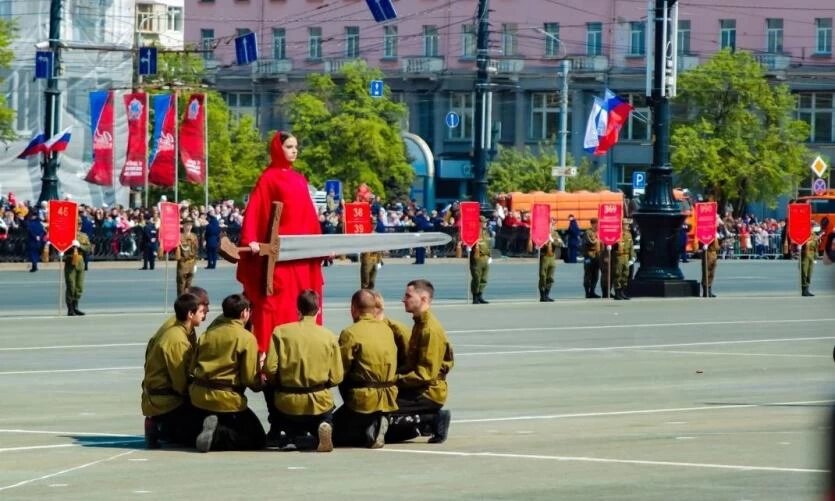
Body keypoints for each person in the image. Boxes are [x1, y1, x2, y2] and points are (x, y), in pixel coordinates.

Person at [236, 131, 324, 355]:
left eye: (296, 146)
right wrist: (252, 240)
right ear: (278, 148)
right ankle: (271, 354)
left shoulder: (299, 178)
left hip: (301, 255)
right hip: (280, 258)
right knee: (277, 303)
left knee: (304, 300)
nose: (294, 150)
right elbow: (256, 211)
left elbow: (309, 217)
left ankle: (305, 351)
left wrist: (320, 243)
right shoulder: (268, 178)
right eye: (289, 146)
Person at [263, 290, 343, 452]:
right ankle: (323, 424)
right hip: (319, 400)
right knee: (324, 416)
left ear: (298, 309)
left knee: (269, 388)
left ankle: (284, 432)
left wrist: (278, 382)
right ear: (318, 309)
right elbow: (337, 376)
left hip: (287, 401)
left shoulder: (280, 332)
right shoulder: (328, 336)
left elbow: (270, 368)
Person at [190, 294, 266, 452]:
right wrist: (263, 378)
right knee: (257, 439)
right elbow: (249, 379)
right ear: (244, 313)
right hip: (227, 398)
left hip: (199, 394)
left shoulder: (207, 334)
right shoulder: (246, 338)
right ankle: (218, 435)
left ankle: (209, 427)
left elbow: (192, 368)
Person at [386, 279, 453, 444]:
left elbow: (425, 375)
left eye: (408, 296)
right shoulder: (419, 324)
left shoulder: (429, 330)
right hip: (418, 387)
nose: (404, 299)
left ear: (423, 299)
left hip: (427, 391)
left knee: (381, 406)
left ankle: (430, 419)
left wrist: (394, 380)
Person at [333, 289, 398, 449]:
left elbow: (340, 368)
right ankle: (376, 421)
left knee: (330, 432)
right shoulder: (387, 330)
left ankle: (367, 429)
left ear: (353, 308)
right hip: (389, 395)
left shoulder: (350, 333)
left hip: (363, 397)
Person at [142, 293, 207, 449]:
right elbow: (180, 383)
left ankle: (163, 426)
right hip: (166, 400)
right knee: (200, 427)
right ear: (190, 314)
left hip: (159, 396)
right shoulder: (177, 340)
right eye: (201, 311)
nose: (204, 314)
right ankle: (158, 424)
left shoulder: (179, 330)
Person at [65, 230, 92, 316]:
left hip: (80, 261)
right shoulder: (67, 235)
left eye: (80, 224)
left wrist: (80, 246)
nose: (78, 226)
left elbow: (89, 248)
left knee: (79, 286)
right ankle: (70, 308)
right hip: (70, 260)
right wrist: (70, 246)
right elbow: (61, 247)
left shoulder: (83, 235)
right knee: (71, 285)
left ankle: (75, 307)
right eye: (77, 224)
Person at [538, 218, 564, 302]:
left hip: (552, 257)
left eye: (553, 224)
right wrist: (543, 243)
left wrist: (552, 240)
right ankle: (542, 295)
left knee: (550, 277)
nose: (552, 226)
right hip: (544, 256)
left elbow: (561, 243)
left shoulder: (555, 234)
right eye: (551, 224)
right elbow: (537, 244)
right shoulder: (542, 233)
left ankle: (547, 294)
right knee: (542, 275)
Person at [469, 216, 491, 304]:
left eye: (485, 221)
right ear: (479, 223)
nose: (485, 223)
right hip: (477, 258)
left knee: (484, 278)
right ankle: (475, 296)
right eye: (483, 222)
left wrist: (490, 256)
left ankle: (480, 295)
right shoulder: (473, 232)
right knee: (476, 278)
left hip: (485, 257)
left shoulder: (486, 232)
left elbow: (488, 245)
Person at [176, 217, 199, 296]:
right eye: (187, 225)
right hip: (183, 263)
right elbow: (176, 250)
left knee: (189, 285)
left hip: (192, 262)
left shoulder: (194, 236)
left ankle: (188, 302)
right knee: (181, 284)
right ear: (183, 226)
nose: (188, 227)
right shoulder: (179, 236)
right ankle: (180, 302)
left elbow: (196, 250)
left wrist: (195, 264)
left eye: (190, 225)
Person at [613, 218, 634, 300]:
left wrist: (632, 257)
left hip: (626, 256)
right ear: (622, 225)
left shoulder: (629, 234)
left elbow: (631, 247)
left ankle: (622, 292)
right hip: (619, 256)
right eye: (626, 224)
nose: (627, 226)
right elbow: (612, 245)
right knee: (618, 274)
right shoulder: (617, 234)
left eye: (628, 225)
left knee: (625, 274)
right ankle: (617, 293)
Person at [582, 218, 602, 298]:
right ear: (593, 224)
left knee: (595, 275)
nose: (598, 225)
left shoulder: (598, 232)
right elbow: (591, 242)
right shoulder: (588, 232)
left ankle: (592, 291)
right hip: (589, 256)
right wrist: (598, 240)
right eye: (597, 224)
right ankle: (587, 292)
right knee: (588, 275)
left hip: (597, 256)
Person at [801, 227, 819, 297]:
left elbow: (816, 245)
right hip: (805, 255)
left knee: (809, 273)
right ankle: (804, 290)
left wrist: (816, 253)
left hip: (811, 255)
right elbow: (803, 244)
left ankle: (807, 289)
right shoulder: (804, 234)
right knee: (804, 272)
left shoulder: (814, 235)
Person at [703, 227, 720, 298]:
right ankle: (706, 291)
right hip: (708, 253)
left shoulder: (715, 233)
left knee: (712, 273)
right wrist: (705, 244)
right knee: (707, 272)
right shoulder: (708, 233)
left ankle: (709, 290)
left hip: (714, 253)